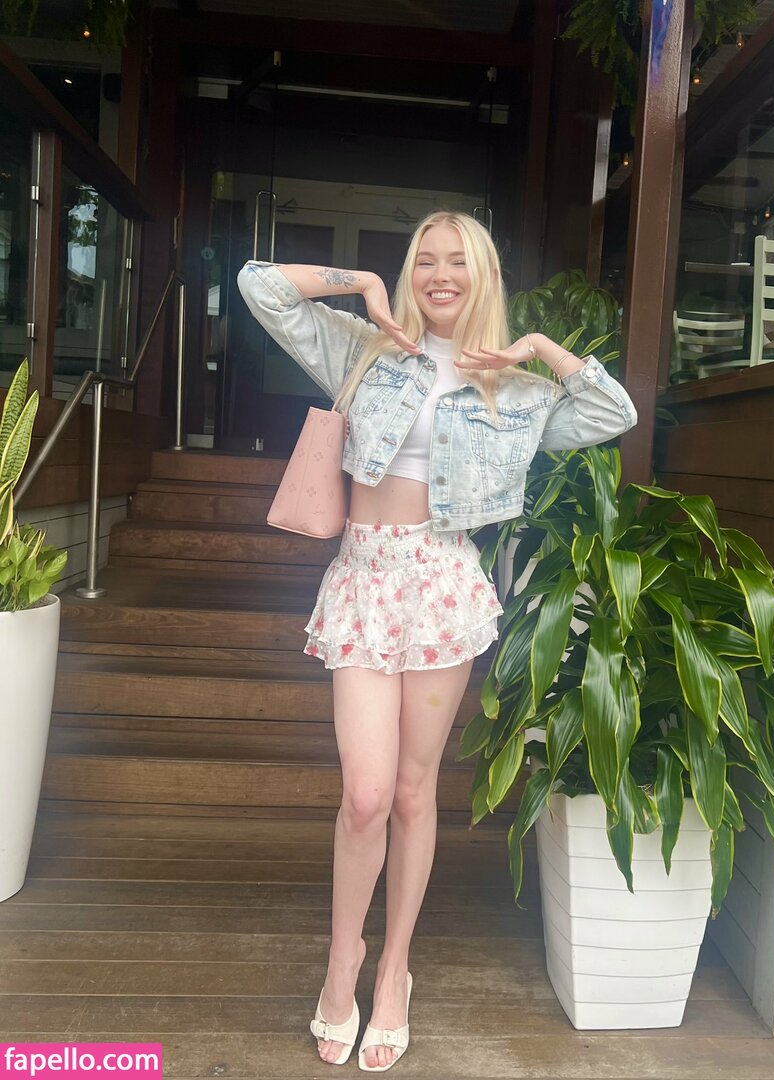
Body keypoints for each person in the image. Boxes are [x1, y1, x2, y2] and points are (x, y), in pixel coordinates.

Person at [237, 211, 636, 1072]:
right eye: (425, 260)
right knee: (366, 795)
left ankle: (394, 972)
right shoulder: (365, 349)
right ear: (410, 271)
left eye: (459, 261)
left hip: (444, 585)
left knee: (415, 794)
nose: (441, 275)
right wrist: (361, 285)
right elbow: (259, 286)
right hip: (364, 579)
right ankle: (342, 960)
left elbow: (613, 410)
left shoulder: (517, 390)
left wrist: (536, 347)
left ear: (482, 274)